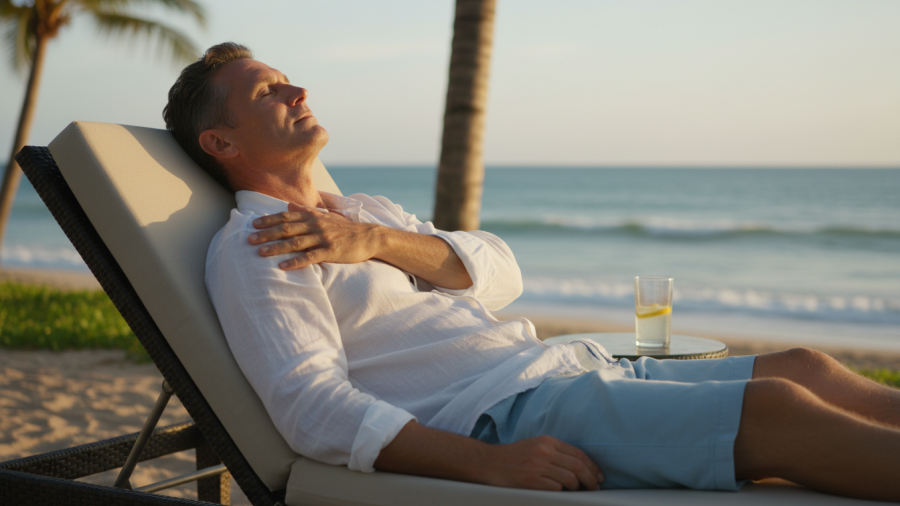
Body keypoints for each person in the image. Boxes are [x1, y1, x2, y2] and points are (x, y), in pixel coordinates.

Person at [163, 42, 900, 501]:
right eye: (268, 91)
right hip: (510, 411)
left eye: (290, 80)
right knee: (773, 410)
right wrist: (488, 463)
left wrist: (373, 241)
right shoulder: (258, 244)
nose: (297, 92)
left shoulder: (363, 211)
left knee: (809, 367)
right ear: (221, 141)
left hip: (564, 367)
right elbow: (311, 409)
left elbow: (498, 272)